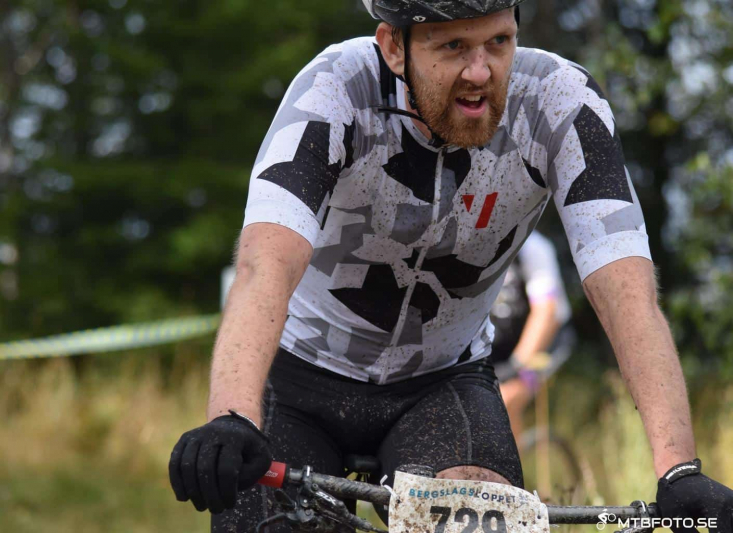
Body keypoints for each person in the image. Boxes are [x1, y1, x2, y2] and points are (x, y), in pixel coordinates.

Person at [169, 1, 733, 531]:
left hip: (442, 381)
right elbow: (265, 263)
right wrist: (232, 417)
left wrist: (678, 468)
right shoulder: (334, 89)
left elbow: (626, 290)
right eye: (453, 46)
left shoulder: (560, 101)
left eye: (499, 41)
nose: (480, 72)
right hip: (297, 377)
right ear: (394, 46)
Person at [489, 230, 574, 440]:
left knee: (503, 403)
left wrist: (517, 365)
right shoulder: (471, 245)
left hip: (546, 339)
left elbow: (545, 312)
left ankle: (511, 461)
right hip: (502, 343)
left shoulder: (533, 247)